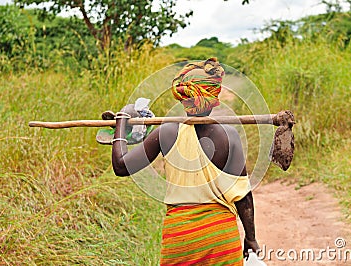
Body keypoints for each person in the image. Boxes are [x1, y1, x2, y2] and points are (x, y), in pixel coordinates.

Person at [111, 58, 261, 265]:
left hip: (181, 238)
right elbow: (243, 196)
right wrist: (251, 238)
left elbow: (121, 166)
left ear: (182, 97)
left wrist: (121, 121)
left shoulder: (167, 132)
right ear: (214, 98)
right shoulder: (230, 136)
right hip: (222, 238)